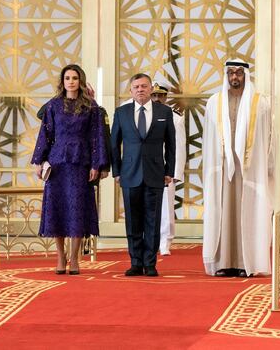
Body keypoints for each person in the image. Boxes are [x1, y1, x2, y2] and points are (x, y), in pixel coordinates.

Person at [31, 64, 109, 275]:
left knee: (77, 211)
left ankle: (74, 258)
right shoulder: (53, 106)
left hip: (80, 164)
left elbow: (97, 137)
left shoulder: (91, 107)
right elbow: (44, 134)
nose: (71, 81)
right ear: (62, 81)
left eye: (75, 78)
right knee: (57, 210)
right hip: (56, 165)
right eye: (67, 78)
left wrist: (97, 164)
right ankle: (60, 256)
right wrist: (39, 161)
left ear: (80, 81)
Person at [202, 60, 273, 277]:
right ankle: (224, 262)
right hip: (223, 169)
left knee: (248, 212)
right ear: (226, 75)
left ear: (246, 75)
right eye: (231, 73)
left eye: (239, 73)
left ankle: (246, 263)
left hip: (250, 169)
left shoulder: (260, 103)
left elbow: (270, 138)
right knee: (223, 213)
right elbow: (208, 138)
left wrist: (267, 167)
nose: (235, 77)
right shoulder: (215, 102)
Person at [111, 73, 176, 277]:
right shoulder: (121, 112)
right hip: (129, 174)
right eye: (136, 86)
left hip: (156, 174)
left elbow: (171, 144)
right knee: (133, 221)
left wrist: (169, 171)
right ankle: (135, 262)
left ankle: (150, 263)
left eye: (144, 86)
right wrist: (116, 171)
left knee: (153, 221)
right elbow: (114, 144)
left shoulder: (164, 112)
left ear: (151, 89)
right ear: (130, 91)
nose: (140, 89)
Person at [150, 83, 187, 256]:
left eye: (160, 96)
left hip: (165, 170)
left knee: (166, 207)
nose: (157, 99)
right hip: (148, 167)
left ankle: (165, 242)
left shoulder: (176, 117)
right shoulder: (144, 114)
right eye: (154, 95)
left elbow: (179, 147)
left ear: (166, 97)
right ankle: (149, 240)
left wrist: (175, 172)